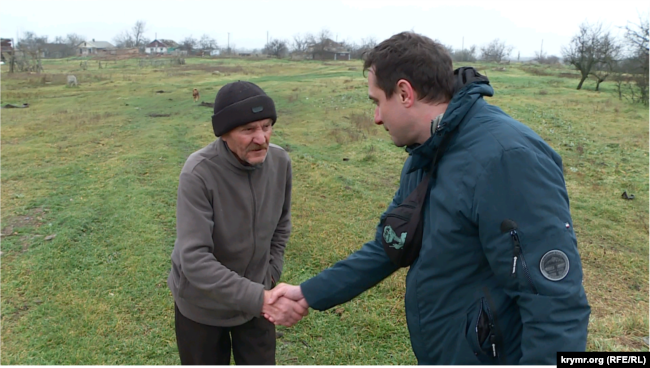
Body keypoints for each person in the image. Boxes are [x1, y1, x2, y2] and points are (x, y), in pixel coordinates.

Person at [266, 32, 590, 365]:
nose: (376, 117)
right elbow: (391, 245)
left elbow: (555, 301)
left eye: (377, 101)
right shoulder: (426, 154)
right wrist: (309, 293)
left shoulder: (506, 158)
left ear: (404, 93)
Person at [168, 80, 308, 365]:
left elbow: (282, 224)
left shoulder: (280, 162)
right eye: (248, 130)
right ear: (224, 134)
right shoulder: (198, 173)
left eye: (266, 126)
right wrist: (260, 297)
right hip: (202, 308)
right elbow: (194, 259)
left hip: (256, 303)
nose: (261, 138)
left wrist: (270, 274)